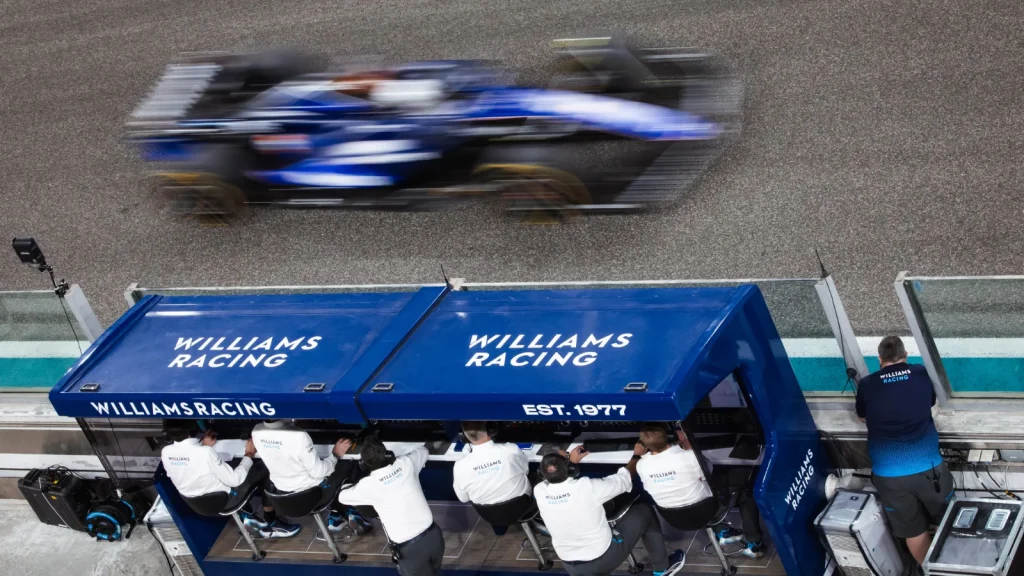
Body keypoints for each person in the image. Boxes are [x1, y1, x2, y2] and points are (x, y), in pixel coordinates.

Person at [856, 335, 954, 566]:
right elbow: (930, 402)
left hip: (889, 476)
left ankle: (931, 572)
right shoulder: (919, 372)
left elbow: (862, 416)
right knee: (947, 521)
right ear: (905, 356)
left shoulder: (868, 384)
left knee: (913, 530)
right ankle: (954, 569)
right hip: (930, 470)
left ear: (879, 358)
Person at [534, 445, 685, 576]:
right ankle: (662, 568)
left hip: (569, 564)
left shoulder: (539, 490)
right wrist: (637, 454)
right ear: (570, 468)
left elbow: (556, 479)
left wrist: (570, 463)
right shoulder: (588, 487)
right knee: (644, 510)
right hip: (602, 557)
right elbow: (624, 479)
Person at [635, 424, 764, 559]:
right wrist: (688, 445)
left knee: (697, 491)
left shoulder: (641, 465)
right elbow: (709, 472)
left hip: (674, 519)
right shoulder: (688, 457)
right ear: (671, 437)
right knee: (745, 491)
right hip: (704, 511)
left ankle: (723, 531)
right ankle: (754, 543)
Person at [161, 422, 300, 538]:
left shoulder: (166, 451)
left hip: (196, 504)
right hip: (225, 500)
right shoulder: (204, 453)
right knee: (267, 467)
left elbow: (188, 468)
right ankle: (271, 522)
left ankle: (247, 515)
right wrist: (249, 453)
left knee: (230, 467)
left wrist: (204, 448)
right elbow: (235, 480)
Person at [337, 435, 445, 576]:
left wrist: (353, 477)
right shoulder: (406, 463)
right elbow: (422, 450)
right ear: (387, 455)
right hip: (434, 538)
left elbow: (342, 496)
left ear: (364, 464)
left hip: (411, 550)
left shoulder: (368, 485)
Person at [251, 420, 372, 536]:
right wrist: (336, 453)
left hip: (281, 495)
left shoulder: (256, 430)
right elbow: (319, 472)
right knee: (348, 466)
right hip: (312, 495)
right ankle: (337, 515)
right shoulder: (299, 436)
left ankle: (341, 514)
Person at [452, 421, 532, 505]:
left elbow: (463, 499)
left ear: (463, 436)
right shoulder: (511, 450)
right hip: (522, 503)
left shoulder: (459, 466)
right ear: (491, 430)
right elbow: (526, 470)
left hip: (488, 514)